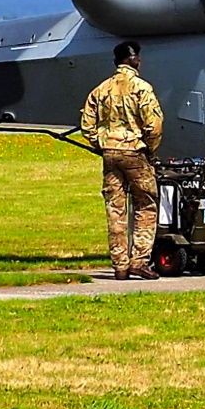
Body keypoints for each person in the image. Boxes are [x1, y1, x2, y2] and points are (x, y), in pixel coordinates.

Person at [80, 41, 164, 280]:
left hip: (110, 153)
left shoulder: (101, 89)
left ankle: (120, 266)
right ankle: (139, 260)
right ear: (133, 60)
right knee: (146, 204)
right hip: (135, 152)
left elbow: (87, 124)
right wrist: (150, 149)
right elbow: (154, 124)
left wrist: (101, 143)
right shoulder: (141, 88)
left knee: (115, 209)